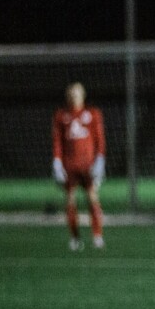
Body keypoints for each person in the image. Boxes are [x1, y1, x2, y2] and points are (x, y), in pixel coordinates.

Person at [52, 82, 106, 251]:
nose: (74, 96)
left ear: (83, 95)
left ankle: (97, 236)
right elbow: (58, 141)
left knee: (92, 198)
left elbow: (99, 139)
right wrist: (57, 161)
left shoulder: (93, 114)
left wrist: (100, 160)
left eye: (77, 93)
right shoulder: (61, 116)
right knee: (70, 200)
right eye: (71, 93)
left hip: (88, 165)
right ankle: (75, 238)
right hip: (70, 165)